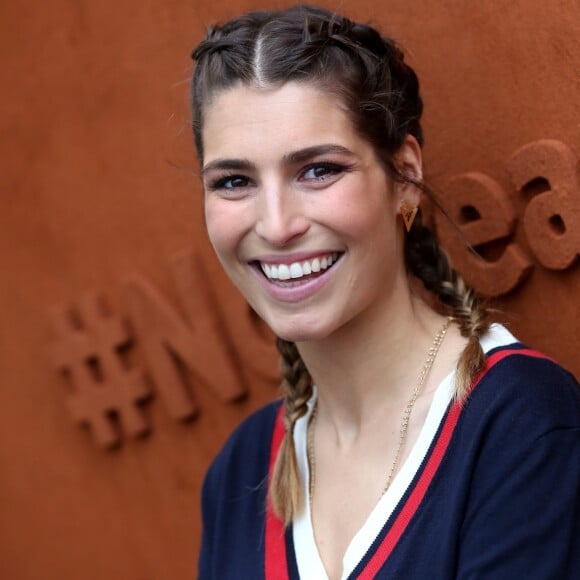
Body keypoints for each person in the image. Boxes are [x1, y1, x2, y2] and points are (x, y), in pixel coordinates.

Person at [190, 5, 580, 579]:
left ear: (405, 176)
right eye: (234, 181)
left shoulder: (518, 424)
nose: (275, 225)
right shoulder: (240, 470)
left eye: (318, 170)